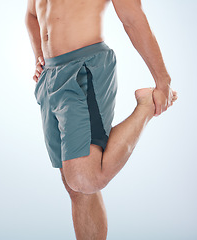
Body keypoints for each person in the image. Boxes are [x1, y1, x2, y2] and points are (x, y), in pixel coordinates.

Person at [25, 0, 177, 239]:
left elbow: (132, 18)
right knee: (75, 187)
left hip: (83, 68)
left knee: (86, 178)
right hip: (51, 77)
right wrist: (39, 56)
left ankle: (145, 106)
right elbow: (32, 14)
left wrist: (163, 80)